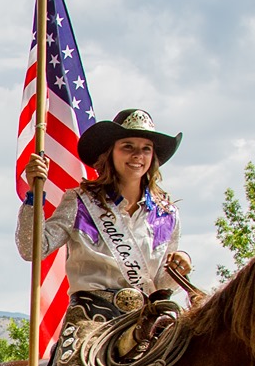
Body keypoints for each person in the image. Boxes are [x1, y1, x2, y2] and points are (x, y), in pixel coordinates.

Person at [20, 108, 191, 309]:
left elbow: (161, 283)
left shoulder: (167, 215)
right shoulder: (80, 202)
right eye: (128, 147)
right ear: (110, 153)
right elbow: (31, 249)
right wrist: (34, 195)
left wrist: (181, 265)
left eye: (146, 148)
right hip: (91, 318)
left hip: (146, 318)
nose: (138, 155)